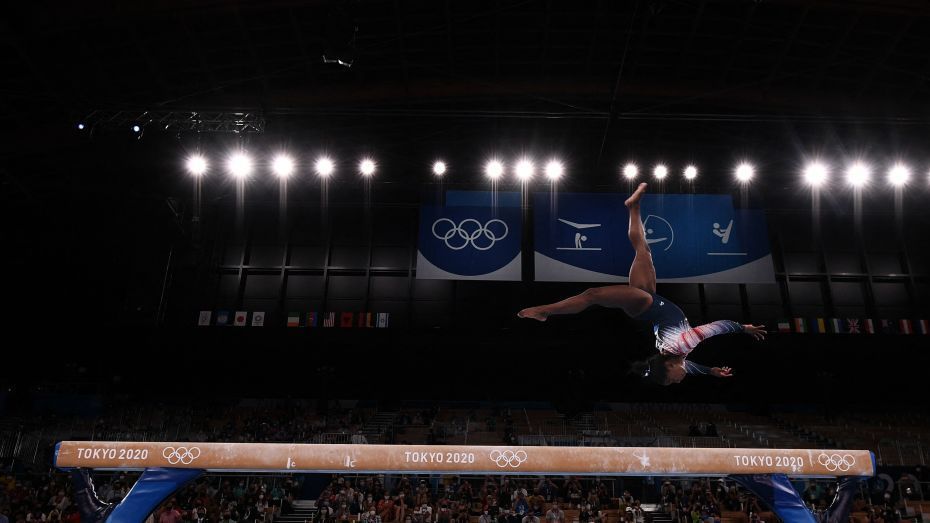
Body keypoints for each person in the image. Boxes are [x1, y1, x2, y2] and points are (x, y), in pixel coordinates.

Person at [518, 183, 765, 385]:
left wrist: (743, 328)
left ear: (669, 367)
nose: (678, 381)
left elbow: (717, 327)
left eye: (672, 380)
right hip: (650, 299)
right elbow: (688, 367)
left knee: (593, 294)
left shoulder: (682, 345)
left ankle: (544, 311)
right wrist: (711, 371)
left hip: (645, 304)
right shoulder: (679, 354)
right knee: (643, 251)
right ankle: (633, 207)